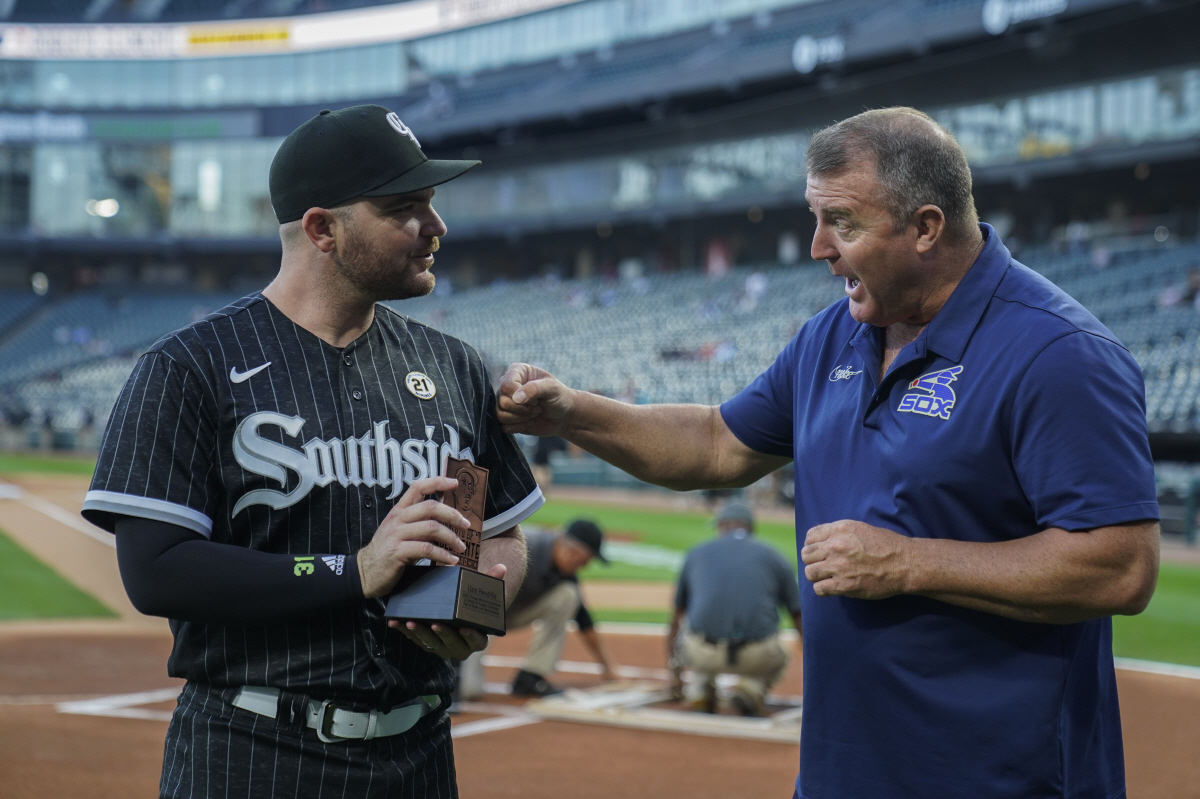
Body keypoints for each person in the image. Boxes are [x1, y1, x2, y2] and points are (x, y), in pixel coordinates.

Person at [497, 107, 1160, 799]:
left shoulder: (1059, 354)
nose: (818, 247)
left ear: (927, 227)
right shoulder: (831, 336)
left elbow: (1119, 567)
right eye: (816, 218)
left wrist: (906, 561)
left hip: (998, 779)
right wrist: (573, 411)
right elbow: (717, 443)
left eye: (842, 221)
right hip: (841, 773)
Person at [80, 104, 545, 799]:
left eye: (433, 203)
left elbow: (503, 536)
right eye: (405, 207)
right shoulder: (190, 366)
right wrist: (353, 570)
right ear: (323, 228)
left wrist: (477, 599)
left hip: (419, 756)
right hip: (253, 752)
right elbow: (156, 571)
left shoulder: (452, 365)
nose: (436, 226)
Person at [667, 499, 802, 716]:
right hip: (756, 656)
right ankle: (752, 687)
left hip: (704, 653)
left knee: (687, 629)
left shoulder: (696, 552)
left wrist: (674, 673)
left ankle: (700, 687)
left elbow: (676, 616)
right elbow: (798, 614)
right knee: (782, 653)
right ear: (750, 527)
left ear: (722, 525)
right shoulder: (774, 555)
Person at [507, 519, 619, 696]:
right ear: (574, 551)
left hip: (508, 613)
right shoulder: (524, 548)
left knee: (568, 595)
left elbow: (583, 619)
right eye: (586, 560)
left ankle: (531, 676)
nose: (585, 566)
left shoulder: (565, 572)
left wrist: (607, 667)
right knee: (466, 690)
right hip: (480, 612)